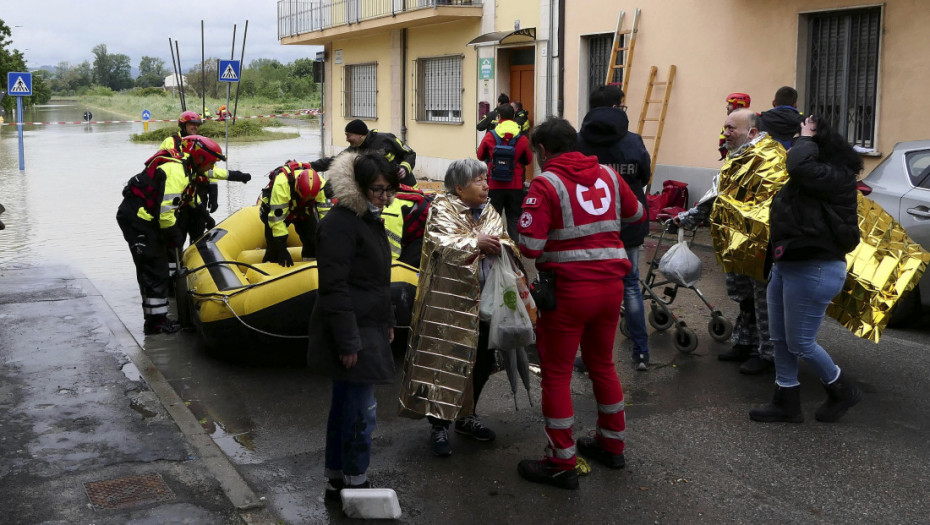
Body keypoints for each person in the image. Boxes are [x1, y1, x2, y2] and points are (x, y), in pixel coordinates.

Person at [516, 117, 645, 490]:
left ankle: (561, 461)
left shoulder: (546, 183)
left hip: (569, 292)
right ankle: (611, 444)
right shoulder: (606, 173)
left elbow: (530, 246)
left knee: (556, 373)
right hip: (611, 287)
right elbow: (636, 214)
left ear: (542, 151)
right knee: (602, 364)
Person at [399, 158, 516, 457]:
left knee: (480, 361)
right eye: (479, 180)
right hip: (448, 304)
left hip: (485, 303)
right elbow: (441, 244)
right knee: (443, 363)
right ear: (459, 187)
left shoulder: (489, 209)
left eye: (486, 178)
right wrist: (476, 243)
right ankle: (439, 425)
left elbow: (505, 240)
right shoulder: (441, 209)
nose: (486, 185)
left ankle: (467, 416)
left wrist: (499, 245)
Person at [749, 115, 862, 424]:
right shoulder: (809, 177)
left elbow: (798, 165)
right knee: (780, 339)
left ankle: (842, 389)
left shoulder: (836, 175)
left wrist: (806, 136)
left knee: (800, 342)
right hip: (787, 266)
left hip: (817, 267)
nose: (792, 145)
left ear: (815, 145)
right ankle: (786, 402)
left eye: (802, 139)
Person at [306, 152, 400, 501]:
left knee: (347, 405)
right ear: (359, 187)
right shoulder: (339, 224)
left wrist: (388, 319)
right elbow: (334, 286)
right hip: (352, 329)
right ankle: (355, 480)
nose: (385, 198)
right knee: (361, 412)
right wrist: (348, 342)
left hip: (369, 324)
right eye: (378, 190)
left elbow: (377, 279)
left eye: (390, 190)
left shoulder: (367, 218)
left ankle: (338, 475)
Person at [678, 109, 787, 375]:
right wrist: (688, 218)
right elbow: (719, 193)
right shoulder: (738, 157)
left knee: (763, 303)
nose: (725, 133)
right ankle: (744, 342)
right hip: (736, 242)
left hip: (762, 247)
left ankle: (768, 355)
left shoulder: (769, 157)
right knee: (745, 299)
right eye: (724, 127)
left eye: (731, 129)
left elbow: (767, 204)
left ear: (751, 132)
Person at [116, 135, 225, 334]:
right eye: (211, 163)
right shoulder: (176, 172)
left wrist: (204, 215)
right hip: (137, 220)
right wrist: (174, 235)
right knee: (154, 267)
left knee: (157, 266)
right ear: (200, 158)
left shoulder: (187, 169)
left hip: (146, 219)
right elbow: (166, 215)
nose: (211, 168)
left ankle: (156, 320)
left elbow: (189, 197)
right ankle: (155, 324)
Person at [577, 84, 653, 370]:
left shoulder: (579, 142)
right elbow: (644, 175)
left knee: (593, 289)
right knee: (631, 286)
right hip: (629, 224)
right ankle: (642, 353)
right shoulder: (633, 141)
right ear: (614, 107)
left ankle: (589, 358)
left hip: (591, 224)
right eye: (622, 105)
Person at [311, 120, 424, 264]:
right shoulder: (353, 150)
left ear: (359, 135)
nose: (346, 139)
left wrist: (404, 167)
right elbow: (332, 161)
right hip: (384, 196)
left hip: (406, 190)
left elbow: (410, 153)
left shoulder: (386, 138)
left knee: (402, 224)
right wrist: (308, 166)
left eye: (348, 135)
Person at [159, 111, 251, 247]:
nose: (195, 127)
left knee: (198, 234)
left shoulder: (201, 143)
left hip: (196, 195)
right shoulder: (171, 142)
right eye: (191, 124)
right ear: (183, 125)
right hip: (178, 197)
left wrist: (215, 192)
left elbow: (210, 169)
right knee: (178, 236)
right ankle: (177, 260)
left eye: (197, 125)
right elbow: (168, 169)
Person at [477, 103, 533, 239]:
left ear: (499, 116)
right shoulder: (522, 138)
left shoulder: (491, 136)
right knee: (514, 219)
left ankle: (494, 253)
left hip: (494, 185)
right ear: (513, 117)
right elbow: (528, 159)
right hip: (515, 186)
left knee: (493, 220)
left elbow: (480, 155)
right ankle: (514, 253)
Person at [258, 161, 328, 266]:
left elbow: (325, 213)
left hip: (303, 210)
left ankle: (309, 264)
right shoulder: (282, 184)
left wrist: (326, 236)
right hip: (278, 209)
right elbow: (277, 220)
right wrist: (282, 248)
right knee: (274, 245)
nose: (306, 199)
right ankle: (270, 263)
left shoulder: (321, 185)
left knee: (312, 239)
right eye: (304, 197)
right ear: (297, 187)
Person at [718, 93, 751, 160]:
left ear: (739, 105)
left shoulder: (750, 121)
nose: (727, 107)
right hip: (730, 158)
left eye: (730, 104)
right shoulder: (732, 121)